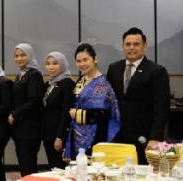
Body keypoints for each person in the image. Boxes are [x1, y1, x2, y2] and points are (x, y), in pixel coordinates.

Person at [106, 27, 170, 164]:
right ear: (123, 46)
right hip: (117, 135)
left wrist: (155, 138)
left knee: (141, 177)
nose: (131, 48)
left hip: (143, 138)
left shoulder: (156, 71)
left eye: (136, 44)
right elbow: (109, 101)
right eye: (128, 44)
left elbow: (161, 108)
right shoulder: (114, 68)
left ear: (144, 46)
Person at [65, 43, 121, 159]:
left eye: (85, 60)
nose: (82, 64)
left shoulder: (103, 84)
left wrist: (78, 114)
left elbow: (104, 115)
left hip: (94, 136)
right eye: (78, 61)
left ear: (95, 59)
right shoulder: (81, 80)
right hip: (75, 135)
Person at [8, 43, 45, 176]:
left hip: (30, 128)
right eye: (16, 56)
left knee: (28, 165)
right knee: (24, 164)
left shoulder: (34, 74)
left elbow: (34, 101)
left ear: (29, 55)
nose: (19, 58)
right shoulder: (20, 74)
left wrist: (15, 114)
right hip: (20, 128)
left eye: (23, 55)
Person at [41, 51, 75, 168]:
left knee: (60, 169)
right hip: (47, 135)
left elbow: (66, 112)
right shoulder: (49, 84)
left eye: (55, 63)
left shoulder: (68, 83)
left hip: (58, 136)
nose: (51, 67)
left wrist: (60, 137)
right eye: (48, 63)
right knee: (52, 168)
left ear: (63, 64)